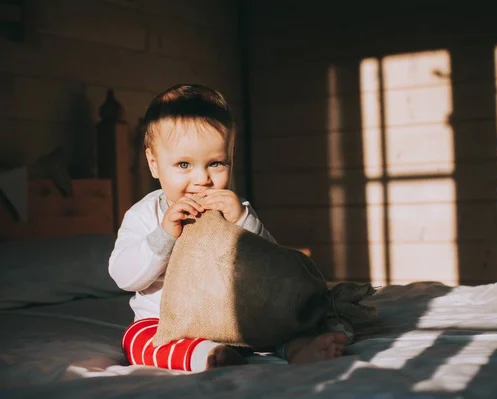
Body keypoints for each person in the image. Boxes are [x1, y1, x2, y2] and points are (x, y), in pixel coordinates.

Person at [108, 84, 347, 372]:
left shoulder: (234, 208)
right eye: (184, 164)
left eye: (216, 163)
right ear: (154, 163)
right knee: (135, 339)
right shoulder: (147, 213)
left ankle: (299, 348)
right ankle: (205, 355)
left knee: (282, 316)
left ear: (231, 157)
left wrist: (243, 221)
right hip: (169, 323)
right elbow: (124, 277)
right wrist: (164, 234)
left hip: (235, 314)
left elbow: (271, 263)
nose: (202, 179)